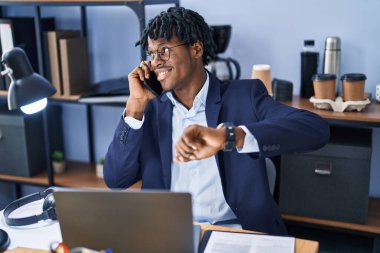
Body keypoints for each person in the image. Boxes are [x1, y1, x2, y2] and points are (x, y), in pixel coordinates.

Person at [104, 7, 330, 235]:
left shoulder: (244, 95)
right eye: (151, 54)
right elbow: (116, 179)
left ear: (196, 49)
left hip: (236, 233)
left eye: (164, 50)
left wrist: (229, 136)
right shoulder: (148, 109)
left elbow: (315, 128)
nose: (156, 62)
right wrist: (134, 105)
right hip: (170, 235)